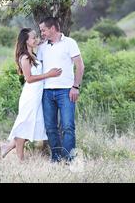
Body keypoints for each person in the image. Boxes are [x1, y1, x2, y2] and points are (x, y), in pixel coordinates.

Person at [1, 28, 62, 161]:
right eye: (33, 37)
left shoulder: (33, 55)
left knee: (33, 125)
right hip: (31, 95)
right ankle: (20, 160)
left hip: (38, 94)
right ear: (26, 41)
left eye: (36, 37)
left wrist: (44, 40)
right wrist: (49, 74)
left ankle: (8, 147)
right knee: (25, 125)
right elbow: (29, 79)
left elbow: (41, 43)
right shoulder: (25, 57)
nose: (36, 39)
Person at [38, 17, 85, 162]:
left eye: (43, 30)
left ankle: (69, 159)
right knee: (51, 127)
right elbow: (38, 68)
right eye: (41, 31)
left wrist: (75, 86)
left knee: (68, 127)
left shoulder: (70, 43)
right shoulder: (42, 47)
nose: (42, 33)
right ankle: (56, 158)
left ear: (52, 28)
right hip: (47, 92)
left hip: (66, 91)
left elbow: (80, 66)